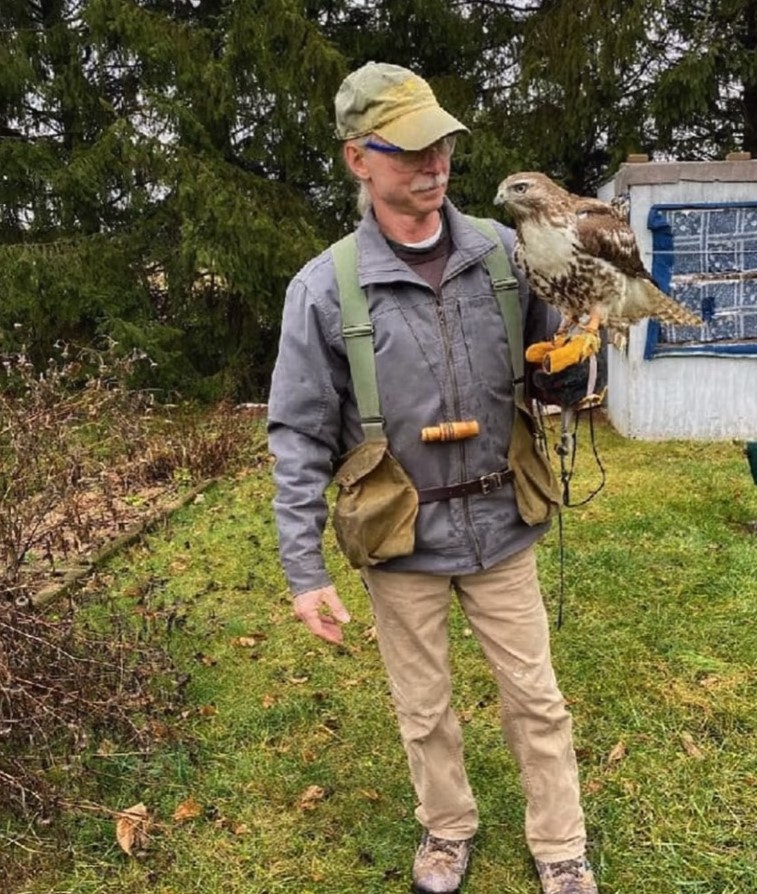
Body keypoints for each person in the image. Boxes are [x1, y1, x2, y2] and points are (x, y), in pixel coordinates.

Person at [267, 61, 599, 894]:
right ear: (358, 159)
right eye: (410, 149)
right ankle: (446, 832)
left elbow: (554, 352)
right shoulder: (324, 288)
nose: (434, 163)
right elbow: (299, 434)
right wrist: (304, 573)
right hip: (399, 535)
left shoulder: (503, 251)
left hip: (502, 517)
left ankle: (561, 846)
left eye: (442, 144)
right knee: (424, 709)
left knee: (537, 697)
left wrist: (569, 374)